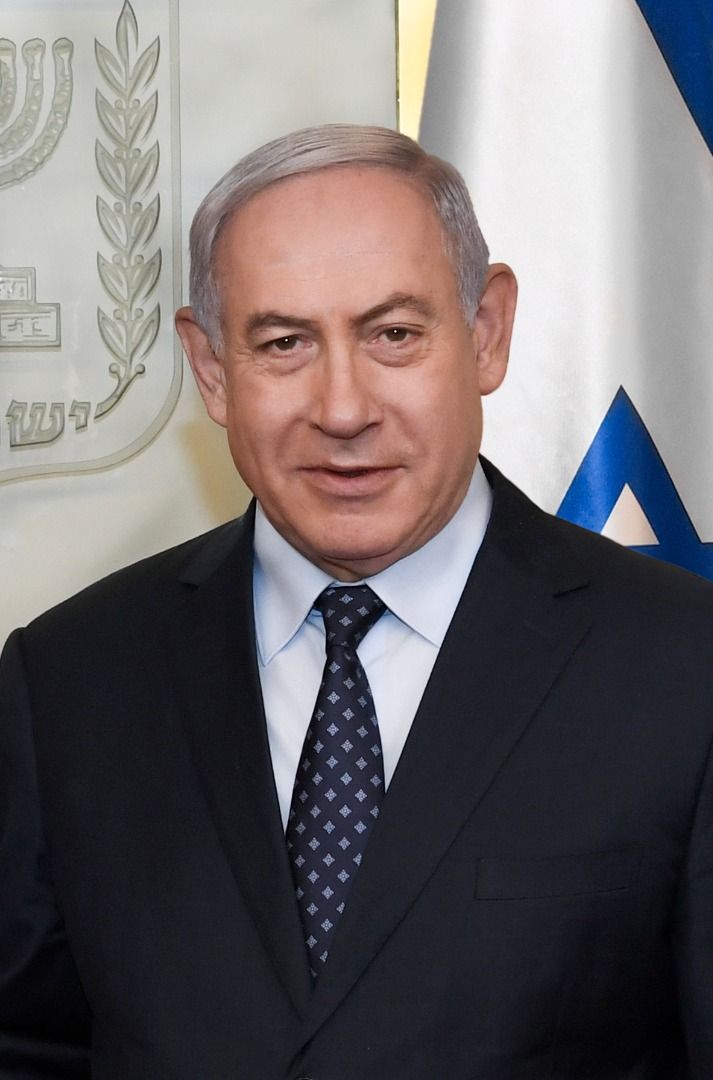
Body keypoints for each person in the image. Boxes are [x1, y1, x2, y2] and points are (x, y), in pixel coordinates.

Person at [1, 125, 712, 1080]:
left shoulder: (683, 669)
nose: (342, 409)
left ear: (486, 333)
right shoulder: (66, 682)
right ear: (211, 369)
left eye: (393, 335)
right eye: (284, 343)